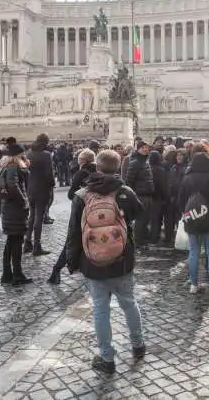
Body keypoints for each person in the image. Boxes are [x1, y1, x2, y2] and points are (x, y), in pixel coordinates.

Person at [65, 149, 145, 375]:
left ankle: (107, 358)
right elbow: (138, 213)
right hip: (122, 259)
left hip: (93, 262)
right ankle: (138, 345)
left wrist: (72, 262)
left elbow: (73, 233)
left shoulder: (82, 195)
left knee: (100, 309)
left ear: (96, 167)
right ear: (119, 167)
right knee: (129, 302)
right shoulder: (125, 192)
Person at [48, 149, 97, 285]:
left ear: (82, 161)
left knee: (72, 241)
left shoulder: (81, 173)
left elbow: (71, 194)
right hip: (97, 212)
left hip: (81, 211)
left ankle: (56, 270)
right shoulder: (100, 171)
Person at [179, 152, 209, 295]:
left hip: (192, 220)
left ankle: (193, 285)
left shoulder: (186, 179)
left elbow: (180, 201)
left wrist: (185, 214)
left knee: (193, 252)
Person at [0, 144, 33, 285]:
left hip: (10, 209)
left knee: (11, 242)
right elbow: (13, 185)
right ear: (17, 155)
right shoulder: (12, 167)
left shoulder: (6, 166)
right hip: (15, 210)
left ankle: (7, 273)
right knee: (16, 242)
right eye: (22, 154)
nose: (24, 156)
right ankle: (17, 274)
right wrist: (24, 202)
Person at [26, 133, 55, 255]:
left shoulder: (29, 154)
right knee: (39, 217)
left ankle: (27, 243)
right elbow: (49, 173)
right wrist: (52, 184)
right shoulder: (46, 155)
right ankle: (37, 246)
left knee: (32, 216)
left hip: (31, 188)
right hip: (42, 188)